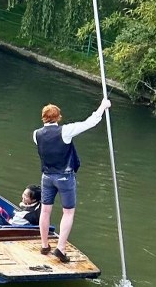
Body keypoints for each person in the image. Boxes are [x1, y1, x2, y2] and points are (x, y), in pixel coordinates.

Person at [34, 98, 111, 262]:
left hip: (46, 177)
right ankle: (60, 249)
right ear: (58, 117)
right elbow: (90, 123)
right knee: (68, 212)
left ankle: (44, 245)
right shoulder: (65, 131)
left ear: (43, 118)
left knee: (45, 210)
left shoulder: (36, 134)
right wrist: (103, 107)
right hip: (64, 177)